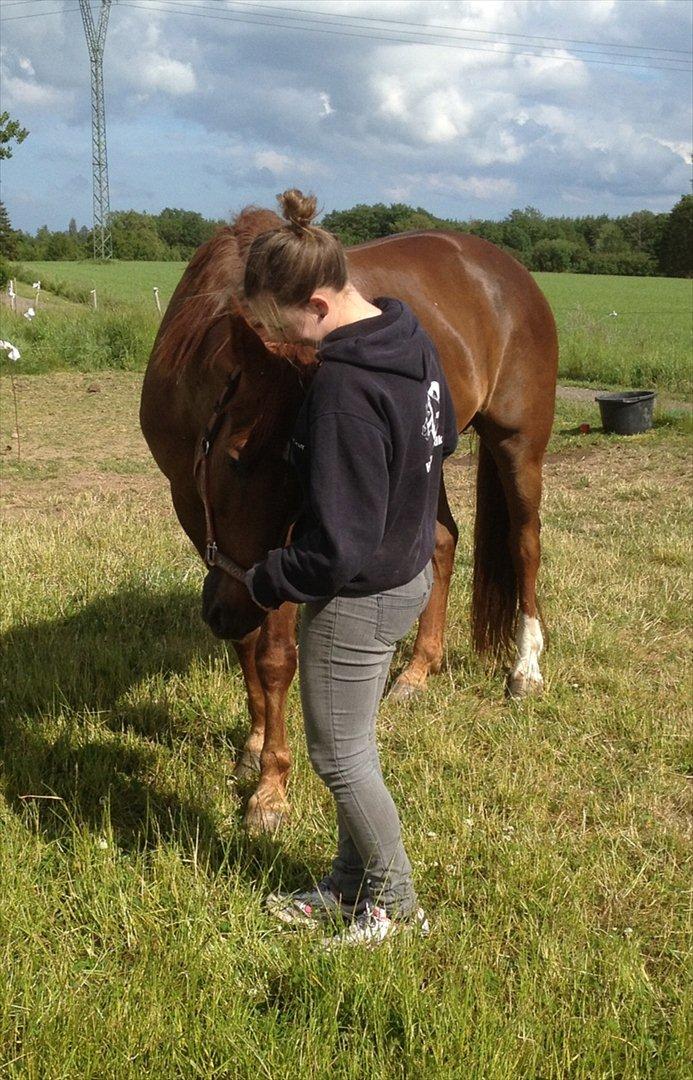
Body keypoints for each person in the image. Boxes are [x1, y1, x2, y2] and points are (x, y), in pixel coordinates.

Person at [241, 189, 458, 946]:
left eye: (277, 327)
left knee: (338, 759)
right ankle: (346, 884)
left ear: (316, 304)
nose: (279, 345)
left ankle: (395, 908)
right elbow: (443, 443)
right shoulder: (410, 337)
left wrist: (260, 582)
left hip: (362, 595)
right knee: (354, 745)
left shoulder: (341, 387)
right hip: (409, 577)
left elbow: (337, 546)